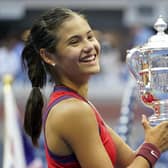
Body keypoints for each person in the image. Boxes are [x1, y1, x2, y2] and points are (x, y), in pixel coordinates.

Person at [22, 8, 168, 168]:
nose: (89, 46)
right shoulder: (73, 111)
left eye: (90, 37)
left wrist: (156, 138)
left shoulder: (81, 105)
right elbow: (145, 157)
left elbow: (132, 162)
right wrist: (152, 148)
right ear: (48, 56)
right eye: (74, 41)